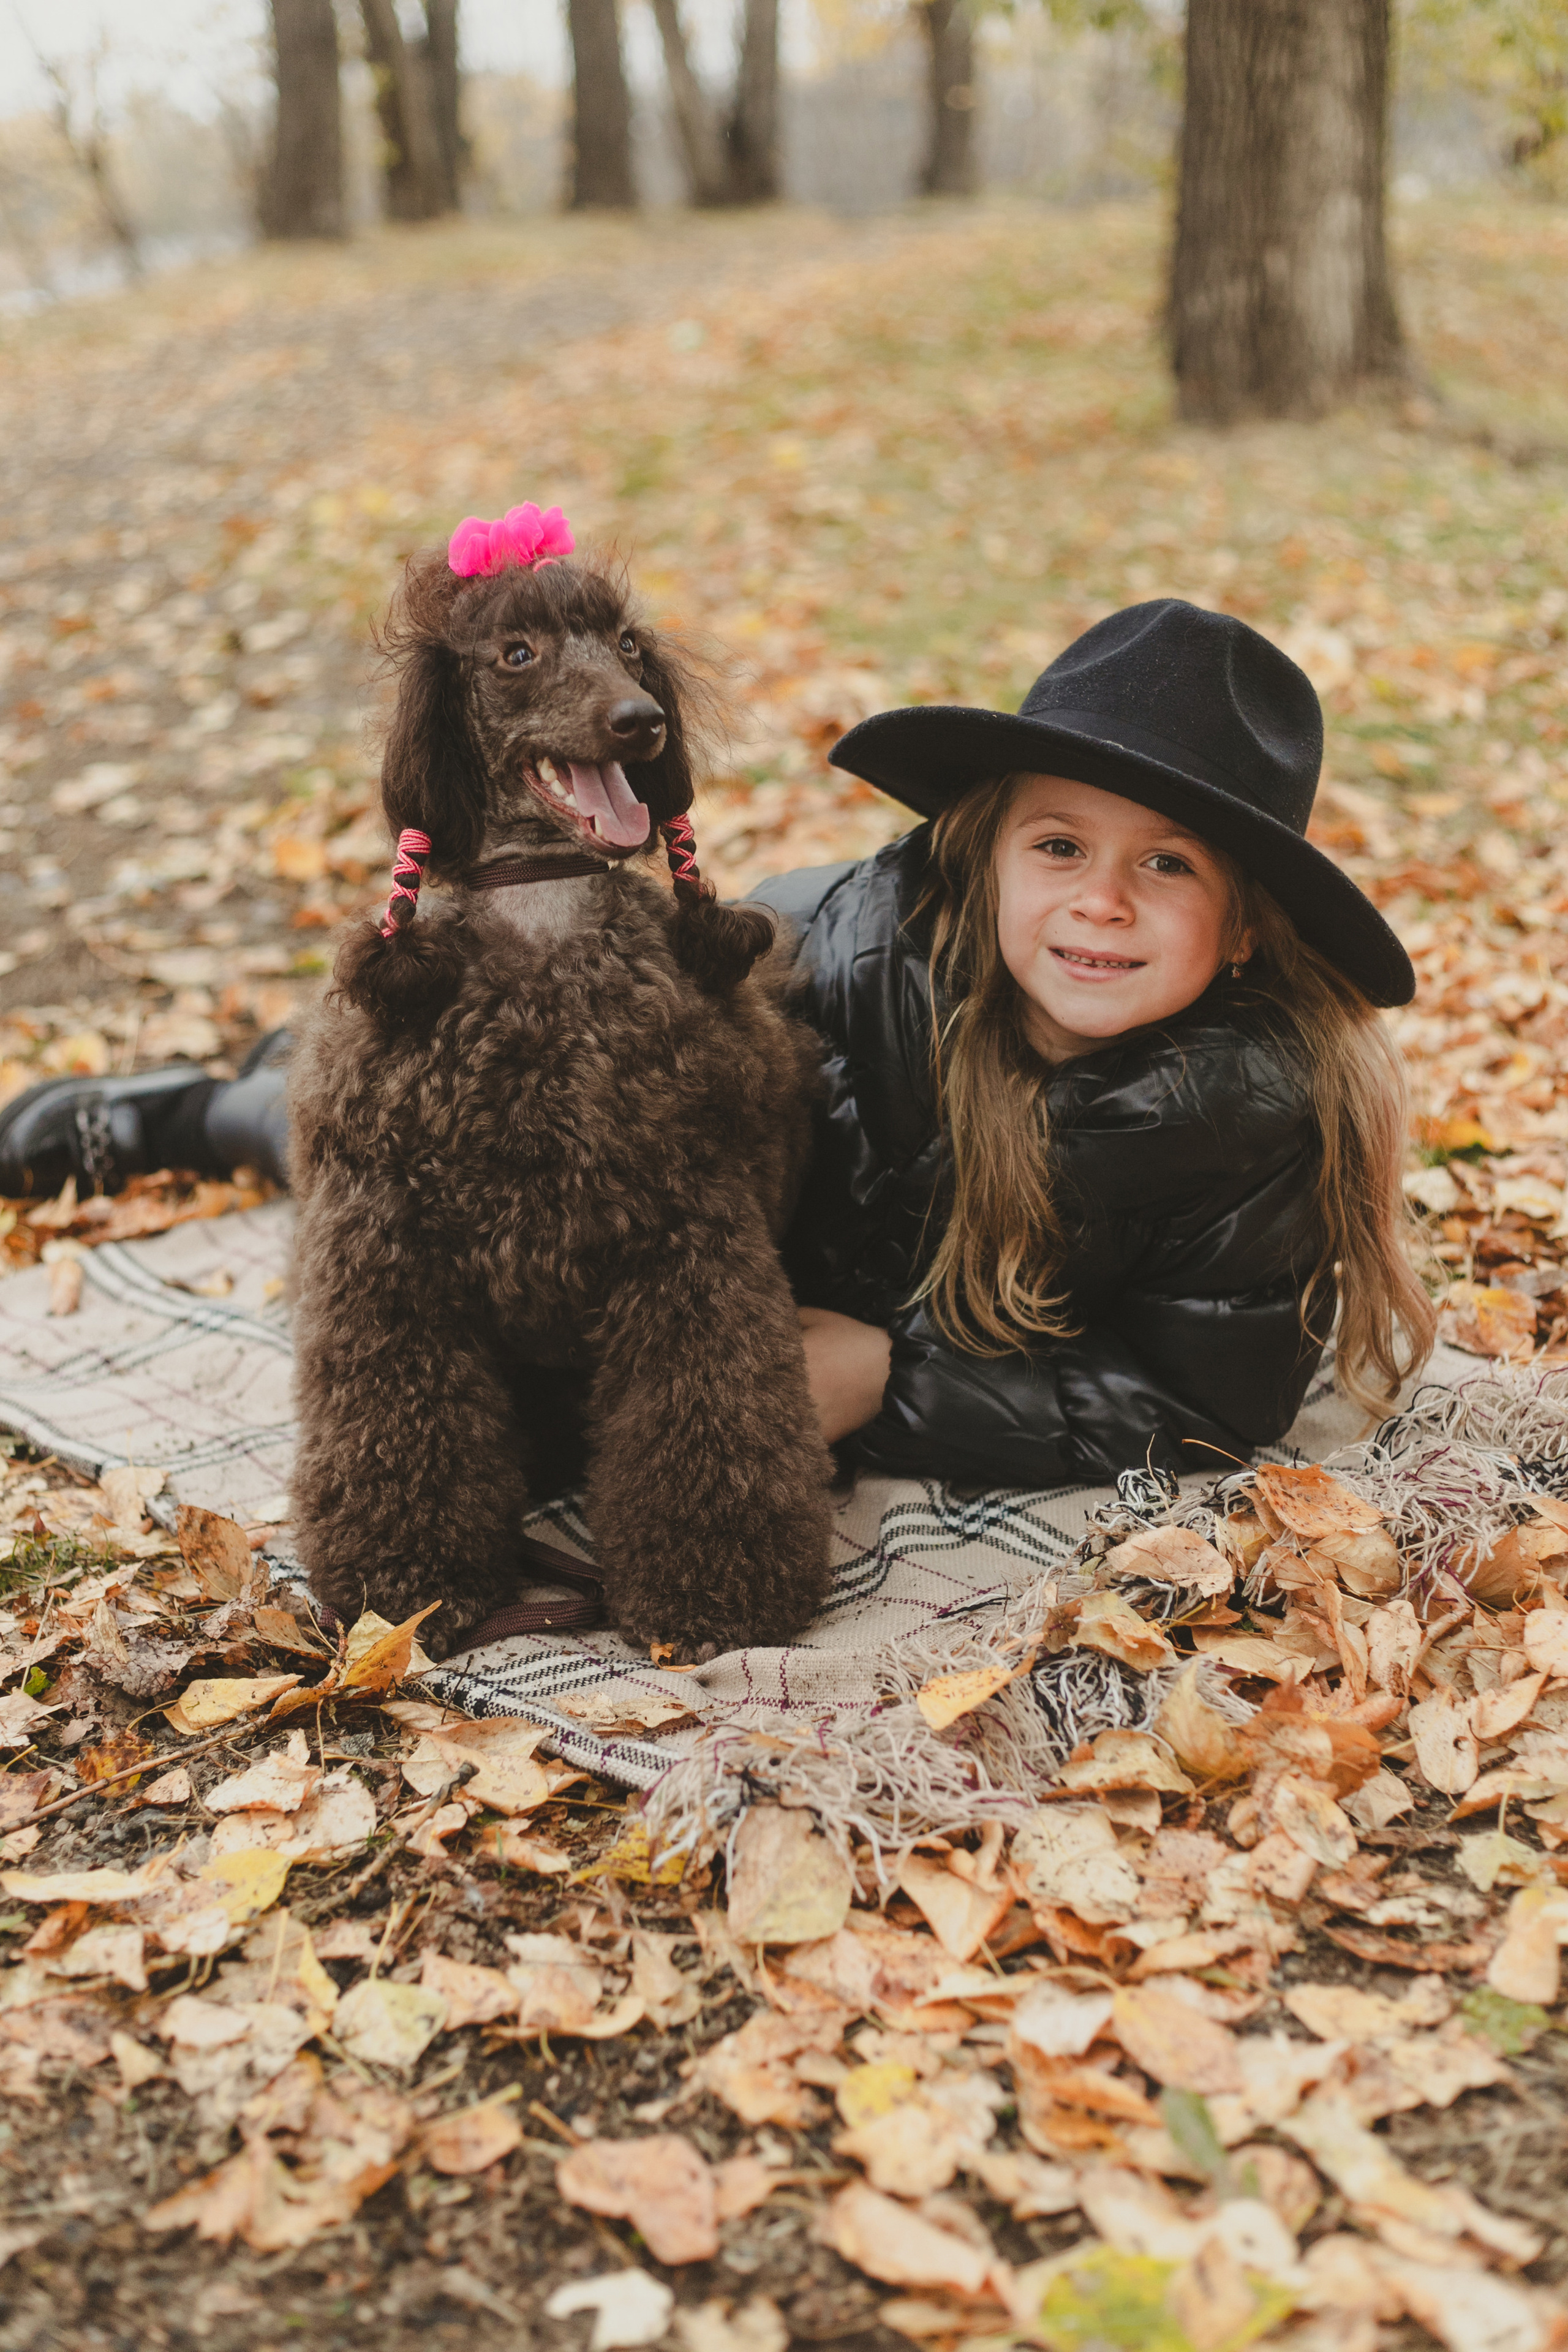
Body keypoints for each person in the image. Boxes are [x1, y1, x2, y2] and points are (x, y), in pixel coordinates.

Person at [0, 600, 1434, 1487]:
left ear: (1246, 930)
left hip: (779, 1320)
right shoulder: (835, 959)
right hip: (645, 1183)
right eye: (1058, 845)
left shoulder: (1257, 1118)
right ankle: (206, 1107)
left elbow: (1193, 1399)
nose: (1100, 904)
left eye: (1168, 867)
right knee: (391, 1146)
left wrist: (889, 1381)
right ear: (987, 856)